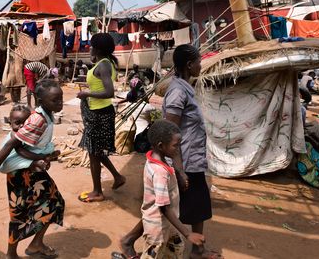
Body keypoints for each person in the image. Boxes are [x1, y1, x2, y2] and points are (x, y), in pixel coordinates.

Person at [120, 44, 221, 259]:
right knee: (170, 206)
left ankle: (196, 249)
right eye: (198, 62)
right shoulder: (177, 92)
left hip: (190, 157)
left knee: (183, 205)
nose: (200, 65)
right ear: (189, 64)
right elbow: (169, 133)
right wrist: (178, 168)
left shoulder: (184, 87)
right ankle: (195, 250)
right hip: (184, 160)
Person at [0, 79, 65, 259]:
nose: (60, 103)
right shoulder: (38, 120)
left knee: (55, 203)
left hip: (33, 170)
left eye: (61, 99)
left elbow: (29, 147)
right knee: (19, 214)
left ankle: (36, 244)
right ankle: (11, 254)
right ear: (41, 101)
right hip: (20, 174)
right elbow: (12, 144)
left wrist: (44, 157)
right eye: (55, 100)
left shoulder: (47, 115)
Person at [140, 119, 205, 258]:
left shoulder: (158, 160)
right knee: (154, 254)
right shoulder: (159, 173)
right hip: (157, 228)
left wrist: (178, 177)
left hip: (169, 225)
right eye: (176, 146)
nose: (178, 149)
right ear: (161, 146)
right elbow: (164, 207)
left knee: (175, 250)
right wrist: (187, 233)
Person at [77, 33, 126, 203]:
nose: (89, 47)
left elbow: (109, 92)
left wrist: (86, 93)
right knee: (96, 152)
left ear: (97, 48)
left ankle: (97, 192)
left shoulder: (104, 65)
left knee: (93, 153)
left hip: (99, 114)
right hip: (97, 112)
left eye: (91, 45)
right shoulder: (104, 63)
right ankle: (117, 177)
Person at [0, 103, 60, 174]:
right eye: (17, 123)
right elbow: (21, 152)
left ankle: (47, 157)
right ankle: (34, 164)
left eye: (25, 123)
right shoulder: (14, 134)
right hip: (8, 161)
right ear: (10, 123)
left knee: (49, 146)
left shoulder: (27, 131)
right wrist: (40, 157)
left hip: (22, 155)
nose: (21, 126)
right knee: (10, 163)